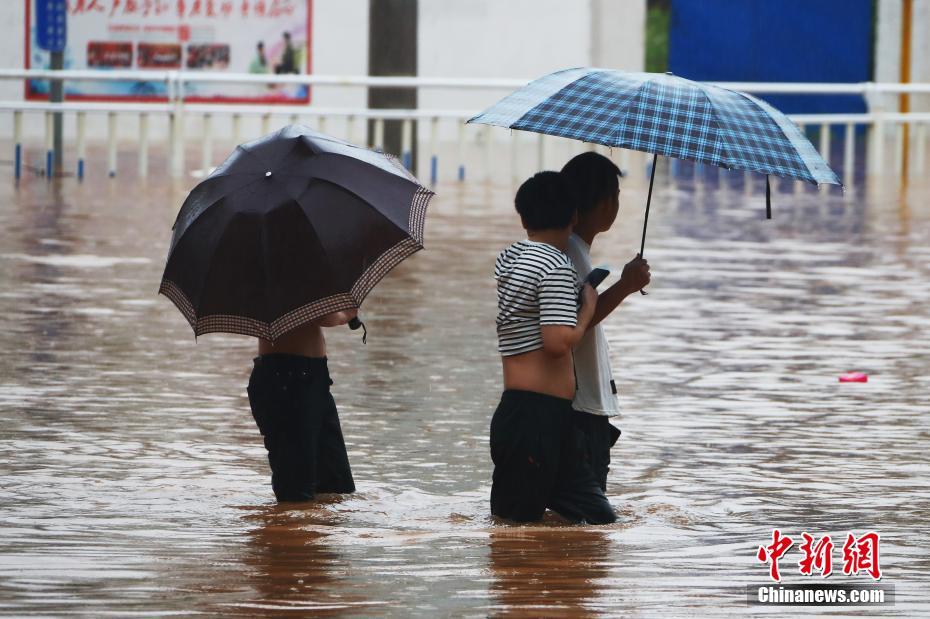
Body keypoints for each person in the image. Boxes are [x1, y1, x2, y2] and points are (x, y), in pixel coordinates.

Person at [489, 171, 617, 524]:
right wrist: (587, 305)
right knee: (515, 529)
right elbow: (557, 343)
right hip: (536, 419)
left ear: (523, 217)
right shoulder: (556, 265)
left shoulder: (513, 258)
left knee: (595, 522)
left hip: (537, 418)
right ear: (574, 216)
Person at [560, 152, 651, 492]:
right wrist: (626, 286)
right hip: (580, 410)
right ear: (601, 202)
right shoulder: (569, 253)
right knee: (589, 519)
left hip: (586, 407)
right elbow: (575, 324)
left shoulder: (574, 250)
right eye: (614, 194)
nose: (616, 203)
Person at [247, 311, 357, 502]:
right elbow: (321, 315)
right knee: (296, 490)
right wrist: (346, 314)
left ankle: (310, 530)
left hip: (312, 377)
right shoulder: (285, 282)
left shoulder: (295, 282)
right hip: (287, 379)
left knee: (336, 486)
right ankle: (288, 530)